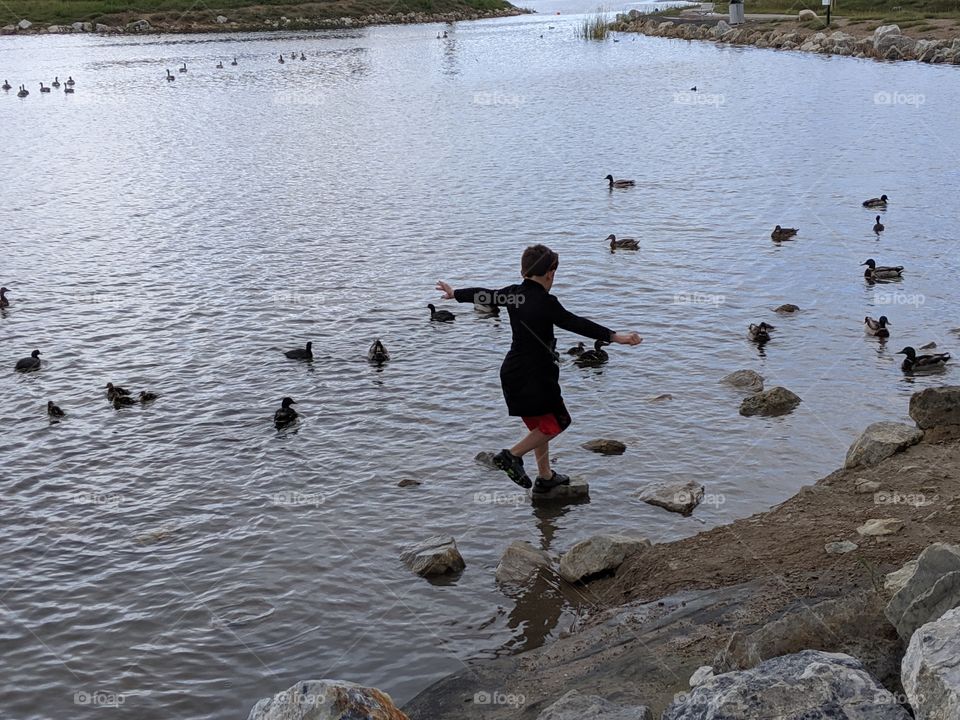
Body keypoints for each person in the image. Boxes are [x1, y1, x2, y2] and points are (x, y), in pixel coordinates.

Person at [436, 244, 642, 493]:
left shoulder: (513, 295)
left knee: (540, 427)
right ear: (550, 273)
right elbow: (576, 323)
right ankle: (510, 456)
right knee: (559, 421)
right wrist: (614, 336)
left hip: (512, 373)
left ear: (523, 271)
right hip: (536, 375)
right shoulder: (546, 302)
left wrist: (455, 293)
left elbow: (484, 294)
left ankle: (545, 478)